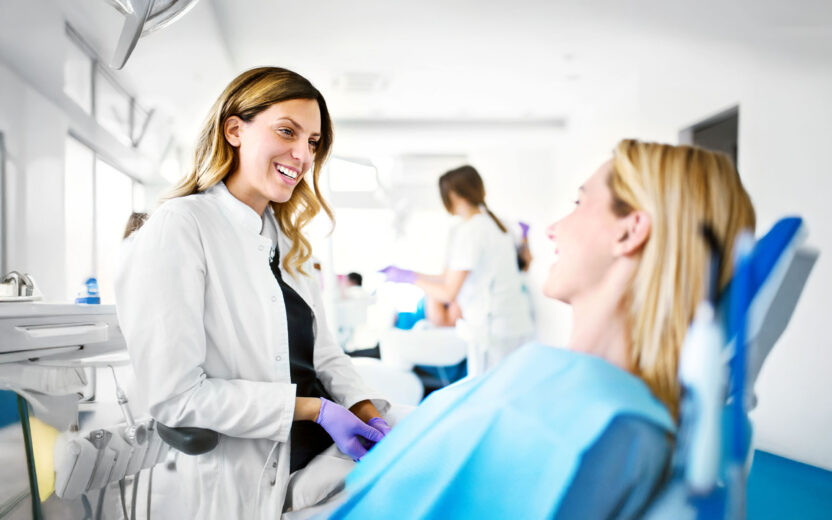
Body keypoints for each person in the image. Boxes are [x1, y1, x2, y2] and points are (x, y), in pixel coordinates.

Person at [324, 140, 756, 519]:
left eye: (579, 202)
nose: (554, 227)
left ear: (629, 231)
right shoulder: (568, 389)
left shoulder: (579, 417)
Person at [115, 67, 392, 519]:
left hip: (326, 460)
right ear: (234, 130)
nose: (302, 154)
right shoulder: (182, 226)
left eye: (314, 142)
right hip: (260, 476)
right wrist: (317, 411)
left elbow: (326, 356)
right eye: (288, 131)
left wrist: (363, 411)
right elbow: (174, 396)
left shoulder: (287, 237)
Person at [381, 165, 534, 375]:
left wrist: (411, 279)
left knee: (489, 396)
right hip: (516, 324)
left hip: (492, 331)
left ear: (451, 194)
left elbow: (448, 292)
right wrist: (409, 274)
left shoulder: (470, 231)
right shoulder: (498, 224)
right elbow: (448, 277)